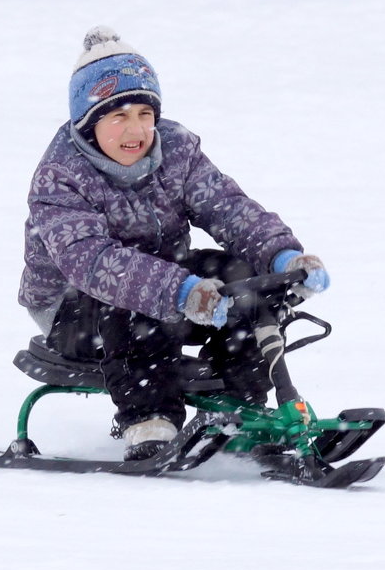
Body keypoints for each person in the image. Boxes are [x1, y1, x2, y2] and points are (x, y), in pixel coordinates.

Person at [18, 26, 330, 461]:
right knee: (132, 302)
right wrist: (179, 290)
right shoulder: (60, 176)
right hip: (76, 309)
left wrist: (283, 256)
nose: (136, 130)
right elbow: (91, 262)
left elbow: (227, 207)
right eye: (118, 116)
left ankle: (247, 404)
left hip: (171, 278)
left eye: (145, 114)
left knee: (239, 278)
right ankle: (150, 419)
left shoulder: (177, 149)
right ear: (88, 124)